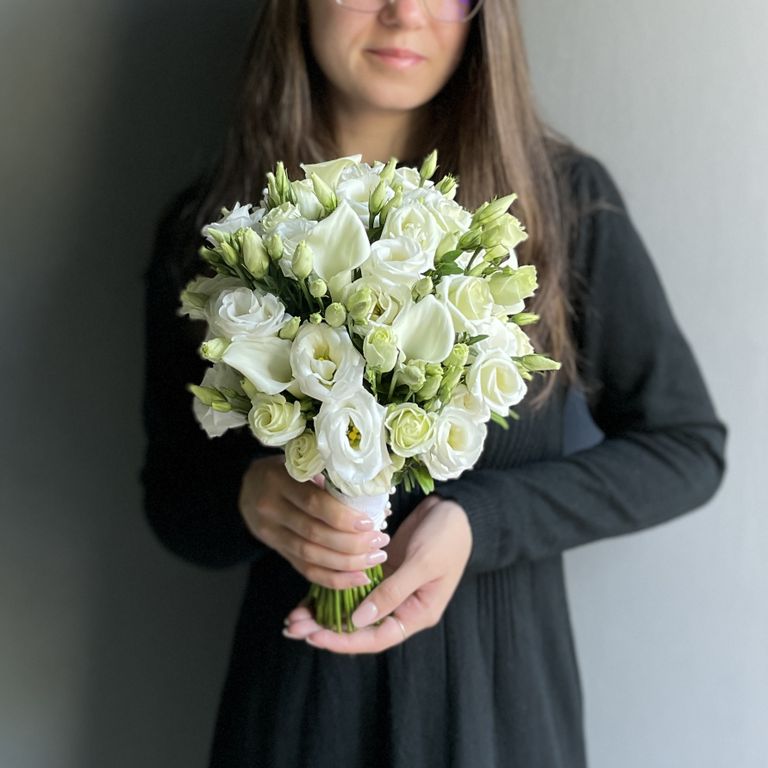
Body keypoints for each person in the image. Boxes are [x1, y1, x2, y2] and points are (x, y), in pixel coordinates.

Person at [142, 1, 726, 766]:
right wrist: (250, 498)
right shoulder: (215, 232)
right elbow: (172, 499)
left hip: (496, 712)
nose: (404, 13)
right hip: (298, 712)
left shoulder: (559, 201)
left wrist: (482, 521)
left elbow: (686, 448)